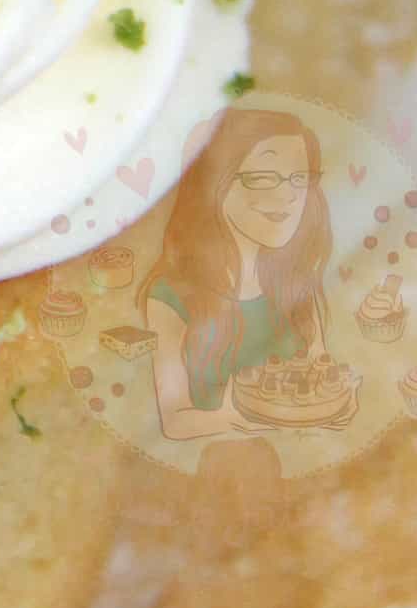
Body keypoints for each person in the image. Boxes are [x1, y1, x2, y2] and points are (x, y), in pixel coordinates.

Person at [142, 107, 333, 443]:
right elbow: (174, 420)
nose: (288, 195)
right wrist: (239, 418)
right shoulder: (171, 297)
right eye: (262, 177)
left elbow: (322, 380)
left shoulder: (298, 282)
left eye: (299, 178)